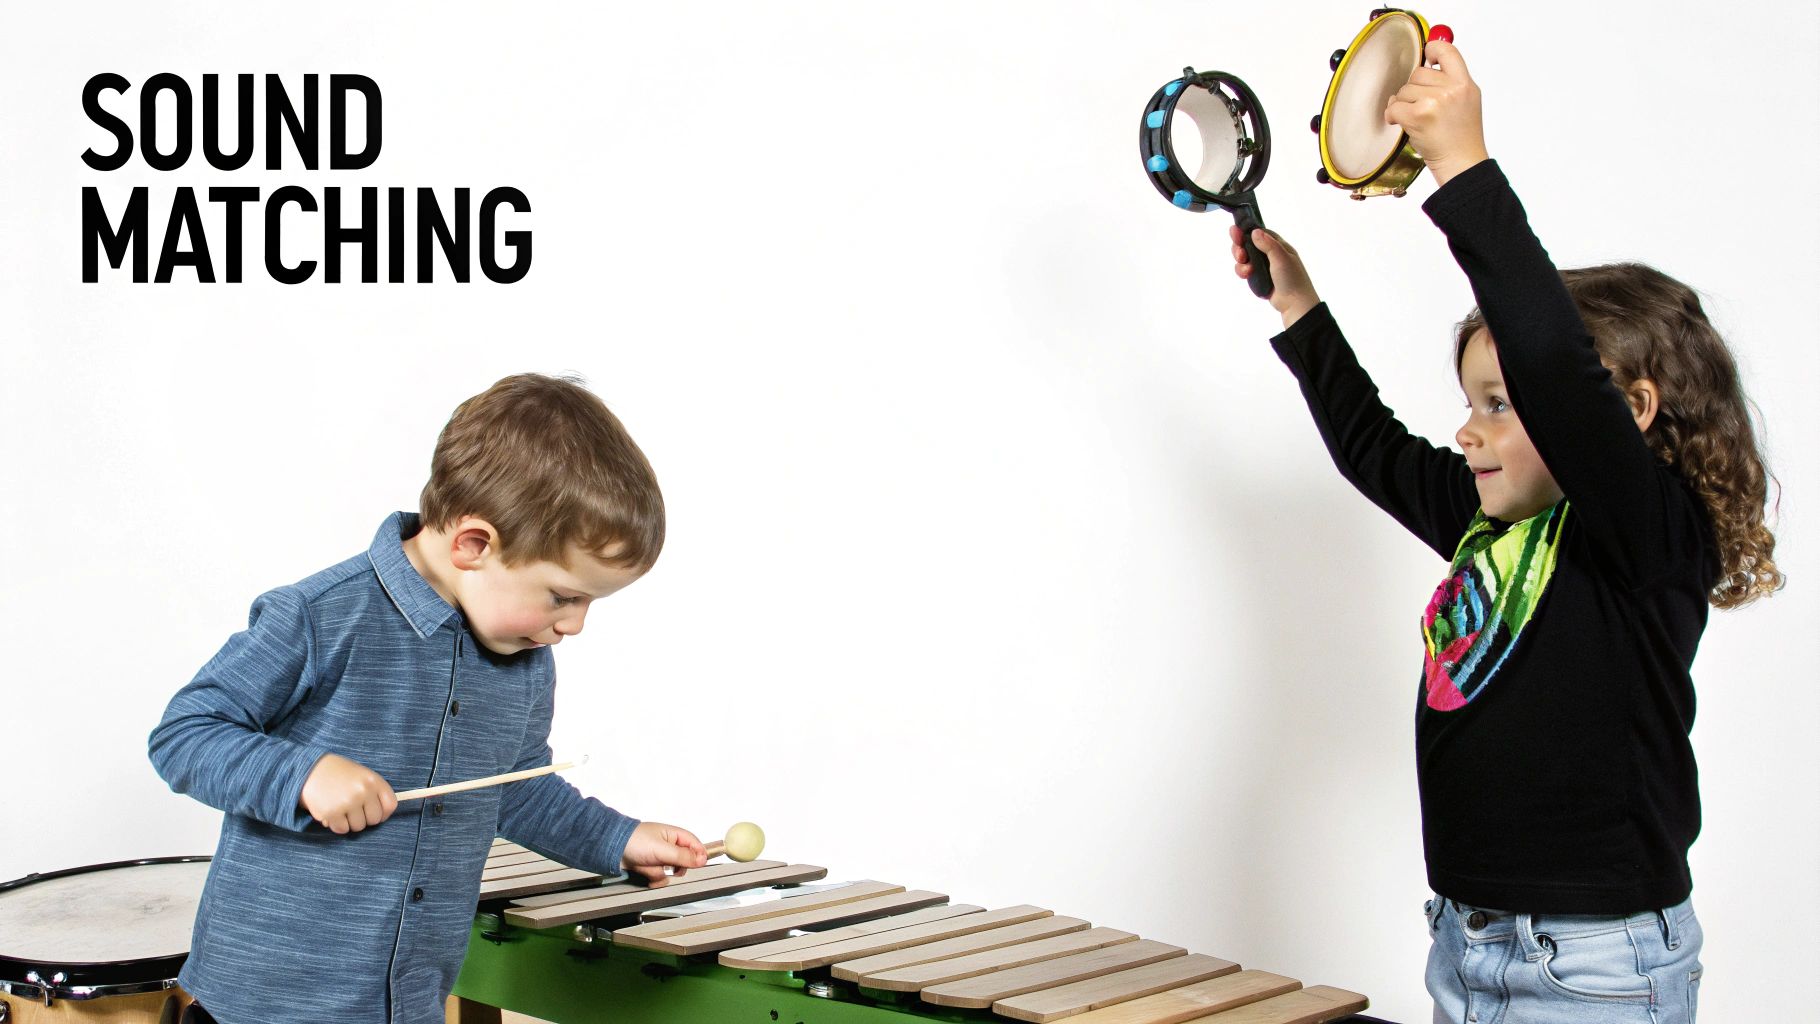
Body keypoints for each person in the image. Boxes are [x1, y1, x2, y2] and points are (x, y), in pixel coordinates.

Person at [1228, 40, 1781, 1024]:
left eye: (1497, 403)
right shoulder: (1493, 526)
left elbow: (1555, 369)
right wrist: (1299, 306)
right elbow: (1372, 450)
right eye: (1471, 401)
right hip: (1464, 940)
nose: (1466, 429)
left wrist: (1460, 166)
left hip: (1592, 965)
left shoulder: (1644, 540)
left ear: (1634, 411)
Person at [149, 374, 708, 1024]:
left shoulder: (523, 658)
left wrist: (618, 838)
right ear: (474, 545)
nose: (574, 625)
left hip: (405, 1004)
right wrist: (303, 776)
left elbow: (513, 787)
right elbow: (185, 735)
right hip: (265, 1005)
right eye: (563, 595)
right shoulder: (318, 618)